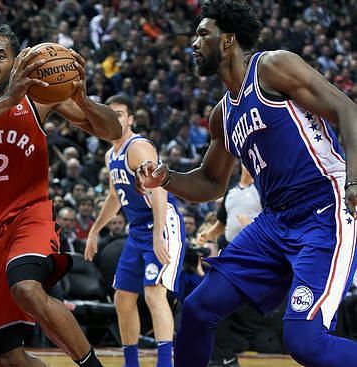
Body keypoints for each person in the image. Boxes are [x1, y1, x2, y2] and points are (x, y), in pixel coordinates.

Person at [137, 1, 357, 366]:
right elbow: (210, 183)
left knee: (305, 342)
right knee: (197, 309)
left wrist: (354, 181)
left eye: (202, 34)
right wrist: (167, 178)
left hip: (325, 207)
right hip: (274, 223)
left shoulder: (273, 66)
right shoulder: (222, 115)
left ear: (228, 41)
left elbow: (347, 109)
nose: (193, 43)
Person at [0, 24, 121, 367]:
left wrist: (83, 100)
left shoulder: (38, 94)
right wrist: (7, 101)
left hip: (29, 216)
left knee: (27, 288)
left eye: (0, 56)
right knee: (7, 358)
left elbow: (112, 130)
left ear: (16, 63)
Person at [85, 95, 186, 367]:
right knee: (123, 297)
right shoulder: (110, 154)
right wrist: (95, 230)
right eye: (110, 114)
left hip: (163, 223)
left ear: (130, 119)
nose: (114, 119)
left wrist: (158, 236)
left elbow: (160, 189)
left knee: (154, 292)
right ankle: (132, 363)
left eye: (119, 114)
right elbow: (114, 196)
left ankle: (166, 363)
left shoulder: (138, 147)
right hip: (138, 228)